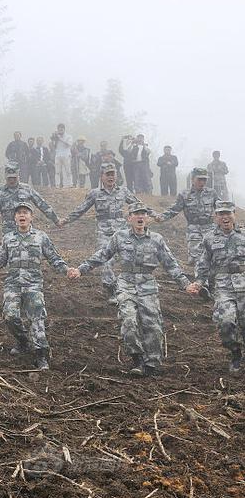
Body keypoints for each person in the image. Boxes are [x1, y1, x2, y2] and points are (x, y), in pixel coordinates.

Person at [69, 203, 199, 377]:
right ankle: (137, 359)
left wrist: (185, 283)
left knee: (152, 325)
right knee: (128, 320)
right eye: (136, 214)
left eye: (143, 214)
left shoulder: (156, 239)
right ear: (129, 218)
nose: (140, 217)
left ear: (147, 218)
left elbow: (170, 264)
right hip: (126, 284)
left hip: (148, 285)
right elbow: (102, 255)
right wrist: (80, 269)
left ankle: (152, 364)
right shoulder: (119, 237)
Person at [0, 203, 70, 370]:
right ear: (15, 218)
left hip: (33, 285)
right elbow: (1, 260)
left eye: (25, 212)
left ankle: (41, 355)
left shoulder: (41, 237)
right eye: (19, 213)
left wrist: (66, 270)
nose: (22, 215)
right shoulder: (8, 238)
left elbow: (54, 257)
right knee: (9, 316)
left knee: (36, 319)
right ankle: (23, 341)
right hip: (13, 285)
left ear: (31, 217)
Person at [59, 162, 142, 302]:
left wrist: (155, 216)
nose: (111, 177)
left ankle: (135, 291)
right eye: (107, 174)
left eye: (113, 174)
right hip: (104, 233)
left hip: (122, 232)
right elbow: (81, 209)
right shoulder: (95, 193)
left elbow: (139, 205)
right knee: (105, 261)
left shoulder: (123, 191)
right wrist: (66, 220)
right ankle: (112, 290)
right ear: (101, 177)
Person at [196, 201, 244, 373]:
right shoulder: (209, 238)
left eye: (228, 213)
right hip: (223, 287)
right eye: (221, 214)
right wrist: (200, 281)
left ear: (234, 214)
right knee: (226, 322)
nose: (225, 217)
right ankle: (235, 353)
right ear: (216, 217)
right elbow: (203, 264)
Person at [0, 164, 60, 234]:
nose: (12, 180)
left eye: (14, 178)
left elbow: (42, 204)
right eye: (9, 178)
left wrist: (56, 220)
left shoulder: (27, 189)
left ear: (18, 176)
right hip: (8, 232)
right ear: (5, 176)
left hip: (26, 230)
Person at [158, 167, 219, 272]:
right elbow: (174, 209)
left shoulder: (212, 193)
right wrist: (161, 217)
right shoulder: (184, 194)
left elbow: (221, 207)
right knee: (196, 258)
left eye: (204, 179)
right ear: (192, 179)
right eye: (199, 179)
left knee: (214, 254)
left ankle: (212, 282)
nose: (202, 182)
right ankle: (202, 284)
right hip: (193, 230)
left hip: (210, 229)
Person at [51, 123, 72, 188]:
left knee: (67, 170)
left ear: (64, 129)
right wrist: (53, 139)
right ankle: (57, 184)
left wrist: (59, 138)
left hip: (66, 155)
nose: (60, 130)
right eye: (59, 129)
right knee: (57, 171)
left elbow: (68, 144)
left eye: (61, 129)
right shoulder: (56, 137)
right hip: (58, 155)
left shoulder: (69, 136)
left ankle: (69, 184)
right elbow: (53, 146)